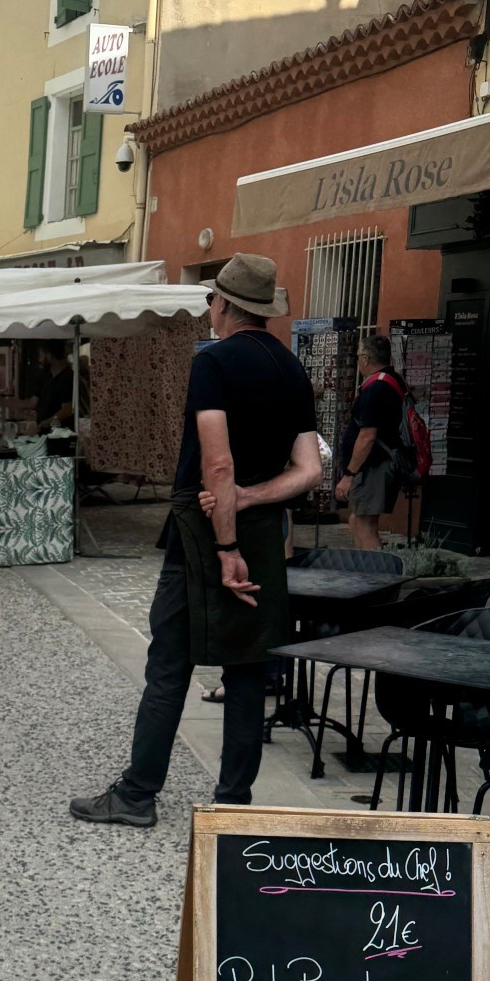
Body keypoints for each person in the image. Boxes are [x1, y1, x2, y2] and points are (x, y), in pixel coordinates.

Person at [69, 253, 323, 825]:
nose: (209, 308)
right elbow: (309, 470)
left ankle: (137, 795)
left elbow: (218, 465)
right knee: (247, 670)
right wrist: (253, 501)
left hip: (206, 533)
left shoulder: (213, 363)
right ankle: (234, 806)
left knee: (170, 664)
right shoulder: (292, 370)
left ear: (226, 305)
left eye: (212, 299)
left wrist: (226, 541)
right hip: (260, 527)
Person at [337, 331, 407, 553]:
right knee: (357, 521)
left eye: (358, 357)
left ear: (365, 359)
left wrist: (349, 474)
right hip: (379, 465)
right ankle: (365, 574)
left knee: (364, 525)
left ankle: (375, 578)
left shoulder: (376, 388)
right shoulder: (393, 381)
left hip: (373, 467)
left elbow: (367, 436)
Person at [33, 344, 75, 432]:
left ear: (50, 355)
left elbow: (67, 409)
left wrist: (46, 423)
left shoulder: (67, 378)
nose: (39, 360)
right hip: (45, 433)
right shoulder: (48, 377)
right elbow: (33, 402)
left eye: (41, 356)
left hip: (59, 435)